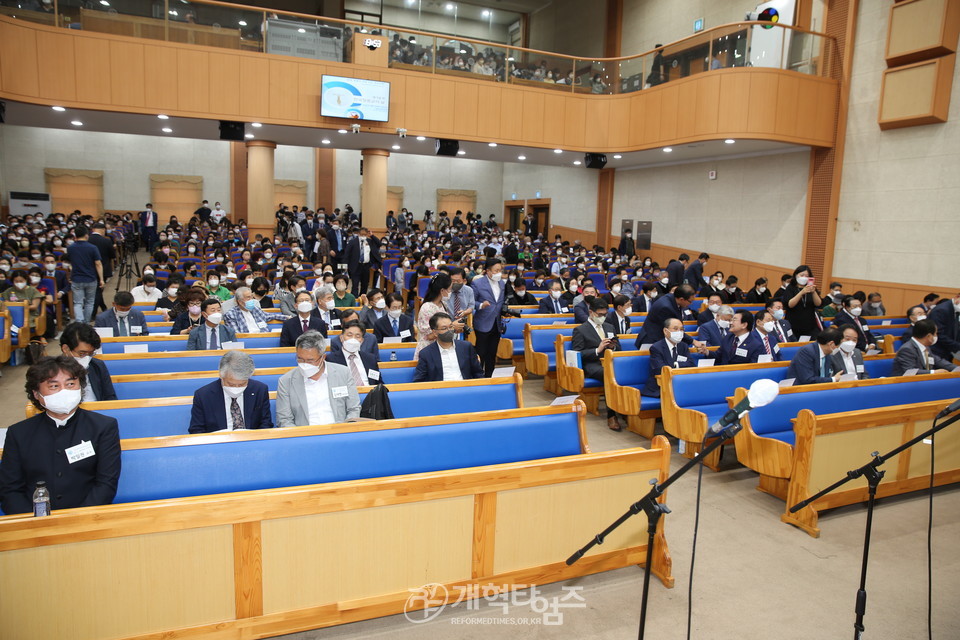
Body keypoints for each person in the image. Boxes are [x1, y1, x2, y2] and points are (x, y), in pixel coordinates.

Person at [0, 356, 121, 514]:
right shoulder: (18, 433)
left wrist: (77, 520)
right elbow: (10, 490)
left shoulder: (103, 427)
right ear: (36, 394)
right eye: (54, 386)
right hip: (33, 521)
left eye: (71, 384)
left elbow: (106, 484)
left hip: (87, 517)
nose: (64, 391)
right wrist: (32, 523)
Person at [276, 331, 361, 427]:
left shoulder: (343, 373)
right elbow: (284, 420)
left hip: (339, 432)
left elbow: (353, 409)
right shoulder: (286, 381)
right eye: (300, 359)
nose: (305, 364)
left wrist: (345, 430)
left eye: (310, 360)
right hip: (305, 435)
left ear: (323, 357)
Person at [188, 351, 274, 433]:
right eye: (231, 384)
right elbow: (196, 430)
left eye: (242, 384)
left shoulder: (259, 390)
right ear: (221, 376)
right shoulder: (204, 395)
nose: (236, 388)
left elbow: (266, 424)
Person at [572, 298, 623, 430]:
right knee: (609, 375)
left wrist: (613, 347)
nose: (602, 317)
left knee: (623, 373)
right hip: (592, 365)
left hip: (610, 362)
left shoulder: (609, 327)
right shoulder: (580, 330)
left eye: (605, 315)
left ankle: (625, 407)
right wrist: (597, 349)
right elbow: (578, 353)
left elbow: (620, 348)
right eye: (600, 315)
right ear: (591, 312)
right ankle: (611, 415)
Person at [634, 284, 708, 354]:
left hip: (663, 340)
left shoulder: (673, 298)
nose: (691, 304)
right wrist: (694, 342)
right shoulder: (666, 307)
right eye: (690, 301)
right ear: (681, 299)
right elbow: (674, 329)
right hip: (652, 341)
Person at [412, 313, 483, 382]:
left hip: (465, 389)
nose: (449, 330)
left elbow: (478, 374)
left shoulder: (466, 347)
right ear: (435, 332)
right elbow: (419, 381)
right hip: (441, 391)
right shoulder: (426, 354)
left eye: (451, 327)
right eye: (444, 328)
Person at [60, 322, 117, 402]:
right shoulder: (51, 371)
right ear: (66, 349)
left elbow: (110, 397)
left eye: (91, 353)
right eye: (82, 353)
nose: (86, 358)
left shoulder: (98, 366)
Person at [642, 318, 696, 397]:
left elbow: (691, 364)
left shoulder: (683, 346)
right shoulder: (656, 348)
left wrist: (676, 365)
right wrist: (679, 366)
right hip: (660, 387)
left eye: (681, 329)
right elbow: (661, 369)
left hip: (680, 384)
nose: (679, 332)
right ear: (665, 331)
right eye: (675, 329)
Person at [472, 258, 508, 377]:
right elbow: (471, 302)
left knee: (492, 353)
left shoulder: (502, 283)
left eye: (500, 270)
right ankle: (478, 377)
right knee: (481, 352)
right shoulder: (478, 283)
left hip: (496, 323)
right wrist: (481, 305)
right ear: (488, 271)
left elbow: (501, 302)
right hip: (482, 322)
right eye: (496, 270)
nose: (498, 273)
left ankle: (489, 377)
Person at [891, 319, 958, 376]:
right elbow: (910, 371)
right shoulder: (907, 349)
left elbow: (939, 361)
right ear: (928, 336)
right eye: (935, 334)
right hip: (904, 384)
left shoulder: (926, 348)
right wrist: (933, 372)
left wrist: (957, 368)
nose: (936, 336)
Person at [66, 225, 104, 323]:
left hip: (76, 278)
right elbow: (98, 264)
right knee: (89, 302)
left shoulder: (70, 248)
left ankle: (79, 321)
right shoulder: (92, 247)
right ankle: (86, 323)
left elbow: (70, 263)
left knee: (78, 303)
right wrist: (101, 279)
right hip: (91, 278)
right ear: (87, 235)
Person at [326, 320, 380, 386]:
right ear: (341, 338)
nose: (353, 339)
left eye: (357, 336)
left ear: (362, 340)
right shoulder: (331, 359)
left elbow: (378, 382)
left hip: (370, 393)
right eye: (349, 335)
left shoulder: (370, 359)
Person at [415, 271, 453, 357]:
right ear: (442, 290)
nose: (451, 292)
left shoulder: (443, 304)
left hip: (442, 347)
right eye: (450, 289)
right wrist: (452, 327)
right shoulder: (427, 307)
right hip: (429, 350)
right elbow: (429, 336)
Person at [781, 265, 823, 340]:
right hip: (793, 325)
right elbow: (790, 304)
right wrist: (801, 292)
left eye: (807, 276)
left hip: (809, 325)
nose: (804, 277)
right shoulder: (791, 288)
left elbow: (818, 303)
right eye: (802, 275)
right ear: (796, 275)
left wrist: (813, 292)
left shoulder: (811, 288)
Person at [88, 222, 116, 314]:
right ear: (103, 230)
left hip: (89, 269)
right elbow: (112, 255)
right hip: (103, 268)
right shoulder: (106, 241)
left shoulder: (87, 239)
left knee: (97, 290)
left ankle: (103, 306)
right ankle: (94, 312)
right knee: (97, 291)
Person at [344, 227, 381, 297]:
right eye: (362, 234)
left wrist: (372, 236)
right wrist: (345, 265)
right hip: (355, 266)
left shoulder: (369, 241)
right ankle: (354, 299)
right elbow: (347, 254)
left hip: (366, 266)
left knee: (365, 284)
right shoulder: (352, 242)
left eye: (365, 234)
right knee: (355, 284)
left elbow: (379, 244)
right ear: (358, 234)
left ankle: (362, 298)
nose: (363, 236)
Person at [926, 293, 960, 363]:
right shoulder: (941, 310)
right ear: (957, 297)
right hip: (937, 351)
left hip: (948, 350)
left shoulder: (955, 309)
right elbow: (938, 334)